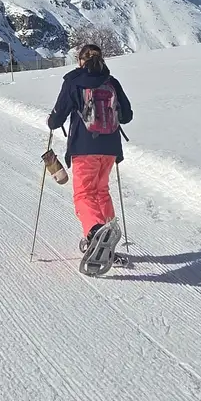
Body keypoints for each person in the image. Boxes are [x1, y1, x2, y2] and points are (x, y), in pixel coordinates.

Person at [47, 43, 133, 249]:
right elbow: (127, 116)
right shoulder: (111, 81)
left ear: (80, 61)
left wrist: (51, 122)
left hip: (84, 146)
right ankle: (109, 233)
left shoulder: (73, 81)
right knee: (101, 191)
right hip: (110, 147)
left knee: (84, 193)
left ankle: (95, 232)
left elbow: (58, 118)